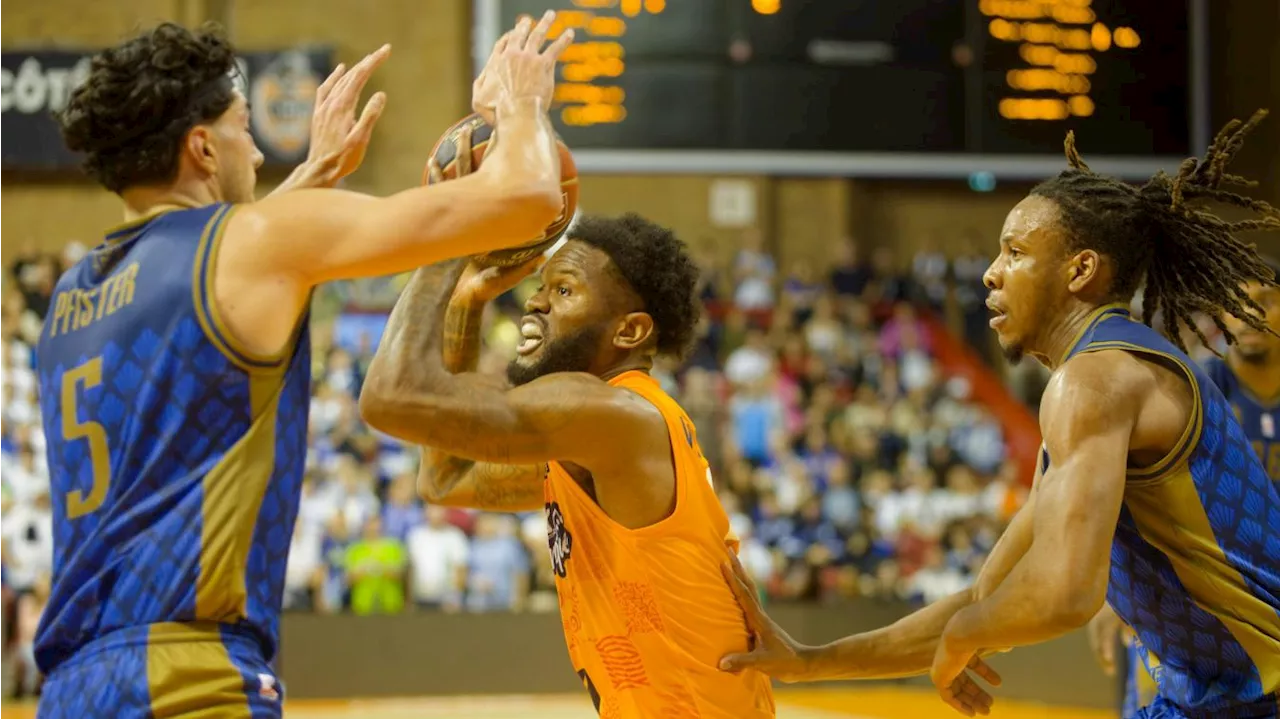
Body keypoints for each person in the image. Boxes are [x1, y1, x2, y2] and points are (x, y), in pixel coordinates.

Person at [34, 14, 573, 718]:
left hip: (72, 688)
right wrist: (520, 103)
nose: (257, 156)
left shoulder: (72, 295)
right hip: (189, 683)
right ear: (201, 146)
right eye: (243, 128)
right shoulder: (254, 243)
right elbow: (525, 199)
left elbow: (207, 270)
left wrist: (312, 178)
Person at [714, 112, 1280, 719]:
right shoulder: (1097, 384)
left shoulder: (1095, 381)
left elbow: (1066, 596)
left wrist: (967, 634)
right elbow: (991, 596)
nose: (991, 272)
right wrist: (810, 662)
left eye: (1015, 252)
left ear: (1081, 270)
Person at [358, 213, 776, 718]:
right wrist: (468, 300)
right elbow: (445, 479)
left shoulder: (608, 413)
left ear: (630, 330)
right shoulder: (605, 441)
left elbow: (389, 398)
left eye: (564, 291)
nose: (535, 302)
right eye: (541, 288)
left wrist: (447, 232)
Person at [1088, 256, 1280, 717]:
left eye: (1266, 301)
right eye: (1235, 303)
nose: (1249, 314)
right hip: (1193, 604)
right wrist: (1109, 594)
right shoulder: (1187, 387)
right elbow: (1128, 495)